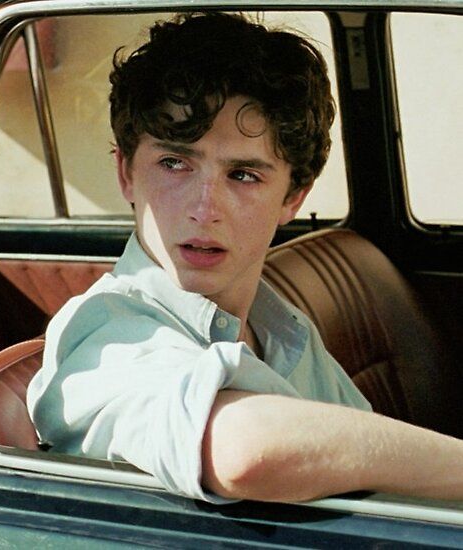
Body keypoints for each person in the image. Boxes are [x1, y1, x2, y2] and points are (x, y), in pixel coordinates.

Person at [27, 12, 463, 503]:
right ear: (127, 174)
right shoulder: (107, 333)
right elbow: (240, 450)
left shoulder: (282, 325)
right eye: (174, 163)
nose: (204, 209)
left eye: (244, 176)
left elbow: (365, 449)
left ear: (293, 197)